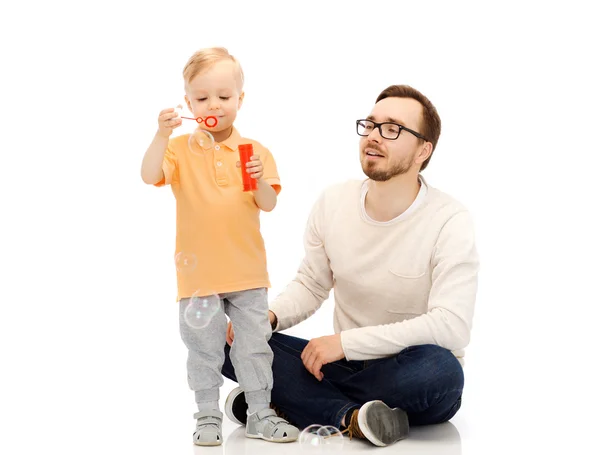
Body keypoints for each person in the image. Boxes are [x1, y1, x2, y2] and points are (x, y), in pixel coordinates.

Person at [223, 84, 479, 447]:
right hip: (342, 366)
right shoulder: (334, 202)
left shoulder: (450, 220)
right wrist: (269, 317)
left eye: (392, 129)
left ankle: (285, 400)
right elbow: (312, 284)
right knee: (225, 339)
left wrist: (344, 343)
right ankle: (351, 417)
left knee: (442, 371)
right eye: (370, 125)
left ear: (424, 149)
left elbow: (452, 327)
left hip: (408, 371)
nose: (374, 137)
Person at [140, 47, 299, 446]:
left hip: (247, 273)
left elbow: (268, 203)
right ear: (188, 102)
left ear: (240, 100)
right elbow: (148, 175)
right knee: (203, 350)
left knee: (254, 349)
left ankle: (261, 412)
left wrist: (260, 179)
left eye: (224, 97)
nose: (214, 105)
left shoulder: (253, 153)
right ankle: (208, 415)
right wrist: (161, 134)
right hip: (199, 276)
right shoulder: (178, 149)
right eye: (203, 97)